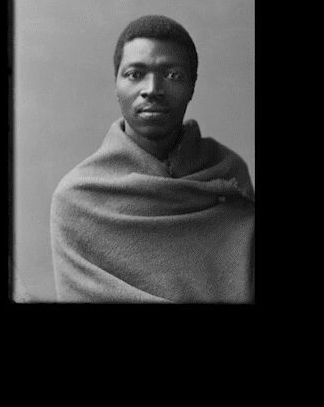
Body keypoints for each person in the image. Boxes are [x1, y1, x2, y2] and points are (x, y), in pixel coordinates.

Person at [50, 15, 255, 303]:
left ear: (192, 86)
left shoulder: (227, 176)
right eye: (135, 74)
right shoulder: (76, 198)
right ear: (116, 84)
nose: (152, 89)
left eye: (173, 75)